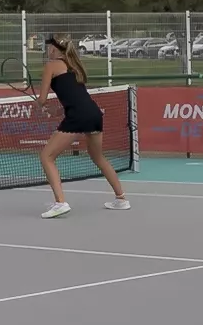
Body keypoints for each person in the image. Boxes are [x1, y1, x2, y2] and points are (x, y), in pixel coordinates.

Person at [29, 35, 129, 219]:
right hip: (93, 113)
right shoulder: (74, 66)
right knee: (98, 157)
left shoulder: (51, 66)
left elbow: (42, 99)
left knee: (46, 156)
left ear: (53, 49)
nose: (47, 50)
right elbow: (75, 98)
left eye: (49, 47)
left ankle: (60, 203)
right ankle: (121, 199)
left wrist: (39, 104)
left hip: (79, 116)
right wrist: (56, 111)